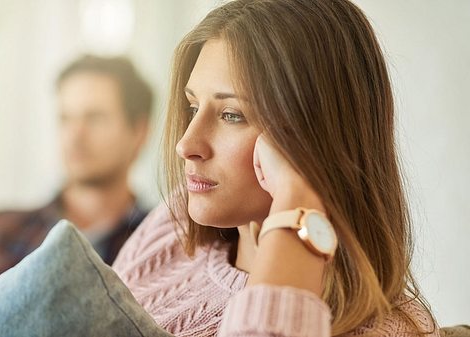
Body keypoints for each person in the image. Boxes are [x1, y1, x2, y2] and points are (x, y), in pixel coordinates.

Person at [110, 0, 439, 335]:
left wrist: (298, 202)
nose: (186, 145)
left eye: (232, 115)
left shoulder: (385, 328)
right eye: (193, 107)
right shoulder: (172, 228)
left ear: (315, 135)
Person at [0, 55, 153, 331]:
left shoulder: (165, 244)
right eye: (65, 118)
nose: (75, 135)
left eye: (95, 118)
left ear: (138, 132)